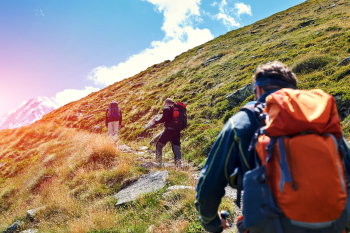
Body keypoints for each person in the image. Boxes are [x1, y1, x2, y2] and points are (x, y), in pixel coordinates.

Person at [195, 61, 299, 232]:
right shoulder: (320, 117)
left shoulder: (243, 121)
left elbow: (208, 185)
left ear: (258, 90)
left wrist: (212, 223)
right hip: (329, 222)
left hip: (270, 224)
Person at [152, 98, 182, 168]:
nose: (165, 105)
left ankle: (158, 164)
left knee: (159, 145)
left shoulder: (167, 109)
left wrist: (155, 122)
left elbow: (163, 119)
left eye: (165, 104)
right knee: (176, 148)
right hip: (177, 132)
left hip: (169, 131)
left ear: (167, 104)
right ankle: (178, 167)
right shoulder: (178, 110)